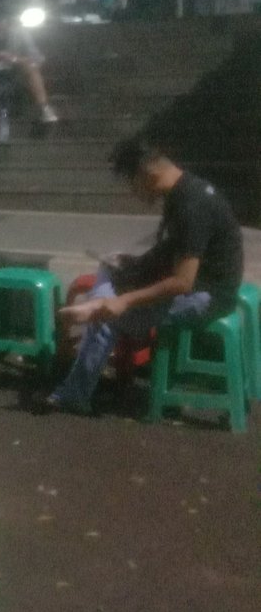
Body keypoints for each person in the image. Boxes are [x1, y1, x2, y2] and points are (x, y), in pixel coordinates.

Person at [44, 137, 244, 414]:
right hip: (201, 285)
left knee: (107, 314)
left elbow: (182, 282)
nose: (133, 192)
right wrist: (135, 265)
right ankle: (99, 304)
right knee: (111, 269)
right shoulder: (183, 191)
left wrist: (124, 301)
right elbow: (173, 248)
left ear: (146, 173)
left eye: (131, 183)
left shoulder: (191, 205)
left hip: (207, 297)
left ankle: (75, 391)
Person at [0, 16, 58, 133]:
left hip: (15, 74)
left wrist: (15, 59)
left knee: (31, 68)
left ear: (6, 22)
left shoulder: (20, 33)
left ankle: (44, 108)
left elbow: (37, 59)